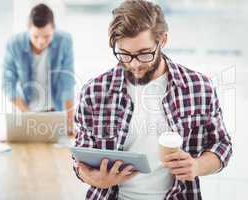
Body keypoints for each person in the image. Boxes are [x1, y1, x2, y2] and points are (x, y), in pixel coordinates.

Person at [73, 0, 232, 199]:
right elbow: (80, 159)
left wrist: (197, 166)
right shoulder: (94, 92)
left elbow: (222, 145)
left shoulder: (199, 87)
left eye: (143, 54)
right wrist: (96, 179)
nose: (134, 64)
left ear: (162, 40)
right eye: (124, 54)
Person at [3, 4, 75, 135]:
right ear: (28, 30)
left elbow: (67, 82)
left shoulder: (65, 41)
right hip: (27, 110)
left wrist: (70, 122)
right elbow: (8, 84)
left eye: (47, 36)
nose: (41, 42)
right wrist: (28, 116)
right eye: (35, 36)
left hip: (56, 112)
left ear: (54, 29)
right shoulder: (14, 44)